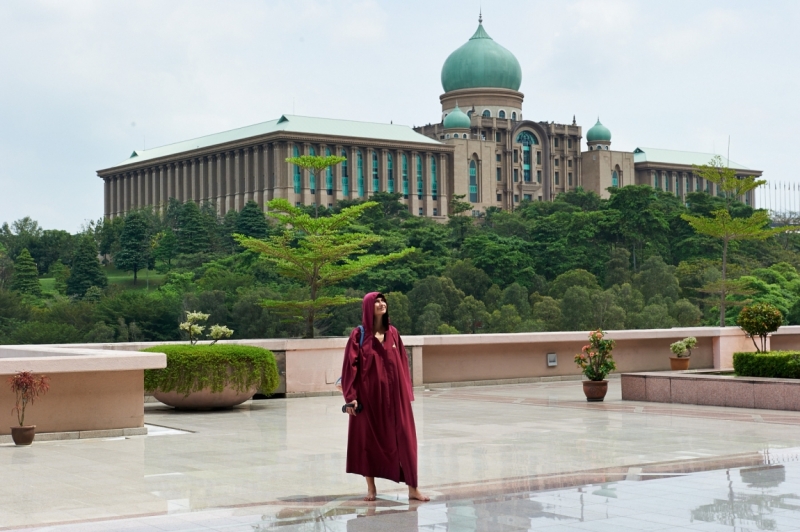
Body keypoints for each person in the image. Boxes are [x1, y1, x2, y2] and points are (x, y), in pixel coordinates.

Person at [341, 292, 429, 502]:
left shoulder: (394, 334)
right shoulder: (358, 335)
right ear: (368, 307)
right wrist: (350, 397)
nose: (381, 304)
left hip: (396, 398)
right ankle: (371, 489)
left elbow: (402, 365)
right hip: (368, 399)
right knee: (368, 441)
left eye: (383, 301)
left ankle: (413, 488)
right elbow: (349, 368)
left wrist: (406, 394)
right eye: (377, 301)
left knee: (406, 440)